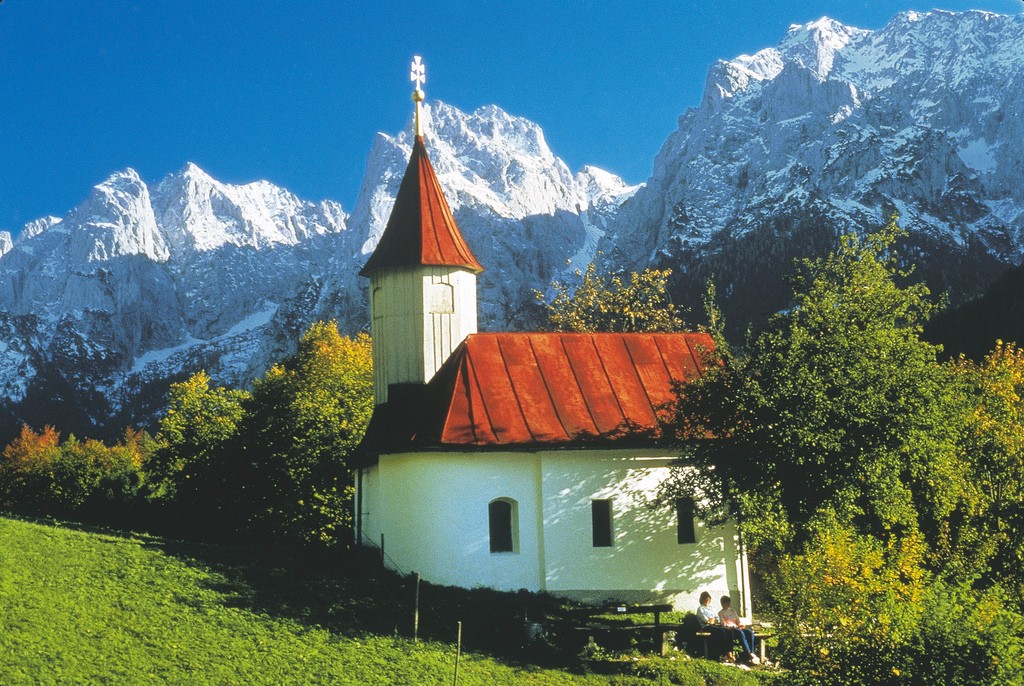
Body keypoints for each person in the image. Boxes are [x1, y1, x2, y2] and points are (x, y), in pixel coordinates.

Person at [719, 595, 759, 665]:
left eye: (728, 602)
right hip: (731, 629)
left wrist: (740, 624)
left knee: (749, 632)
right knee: (740, 633)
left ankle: (751, 652)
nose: (728, 604)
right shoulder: (721, 613)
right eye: (726, 603)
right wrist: (733, 626)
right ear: (722, 603)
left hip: (737, 627)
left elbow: (737, 620)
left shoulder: (732, 610)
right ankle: (748, 653)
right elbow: (723, 624)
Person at [695, 591, 733, 660]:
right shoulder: (700, 609)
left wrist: (713, 620)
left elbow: (717, 618)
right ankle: (722, 653)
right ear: (702, 600)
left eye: (708, 599)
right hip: (705, 627)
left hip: (714, 625)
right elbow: (706, 620)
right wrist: (711, 620)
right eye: (705, 599)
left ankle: (729, 652)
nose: (707, 601)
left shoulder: (712, 608)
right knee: (721, 632)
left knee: (729, 632)